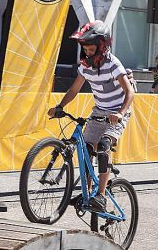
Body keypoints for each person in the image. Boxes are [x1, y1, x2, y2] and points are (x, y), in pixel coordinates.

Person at [48, 20, 135, 213]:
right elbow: (74, 89)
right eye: (84, 48)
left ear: (101, 46)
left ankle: (101, 196)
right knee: (86, 149)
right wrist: (60, 106)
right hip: (99, 110)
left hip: (118, 110)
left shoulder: (113, 64)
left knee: (104, 147)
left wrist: (120, 113)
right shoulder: (85, 66)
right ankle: (87, 193)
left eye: (90, 48)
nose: (87, 52)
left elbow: (130, 92)